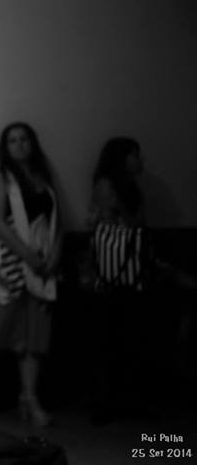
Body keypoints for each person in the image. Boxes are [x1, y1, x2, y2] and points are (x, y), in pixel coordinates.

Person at [0, 121, 61, 429]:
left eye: (24, 139)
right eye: (12, 140)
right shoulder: (1, 178)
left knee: (33, 338)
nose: (20, 144)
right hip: (9, 263)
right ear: (5, 147)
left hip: (42, 266)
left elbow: (56, 221)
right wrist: (27, 255)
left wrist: (53, 256)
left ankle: (29, 398)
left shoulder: (43, 179)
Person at [86, 136, 155, 423]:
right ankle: (112, 401)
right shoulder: (111, 185)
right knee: (117, 338)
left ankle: (114, 401)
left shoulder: (115, 185)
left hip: (117, 273)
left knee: (120, 338)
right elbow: (127, 222)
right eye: (135, 155)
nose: (140, 160)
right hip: (121, 275)